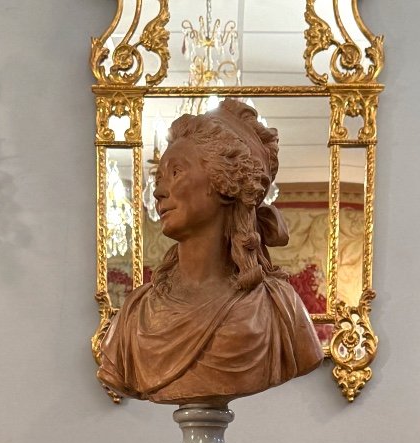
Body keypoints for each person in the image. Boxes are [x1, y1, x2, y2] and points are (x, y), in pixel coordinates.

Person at [97, 98, 323, 405]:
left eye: (176, 172)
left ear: (225, 182)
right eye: (158, 178)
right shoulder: (135, 315)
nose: (160, 192)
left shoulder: (279, 309)